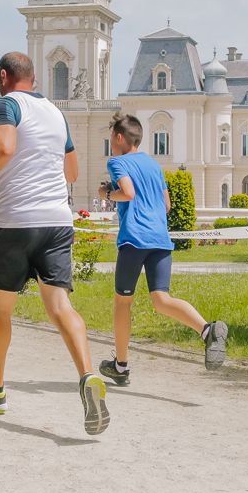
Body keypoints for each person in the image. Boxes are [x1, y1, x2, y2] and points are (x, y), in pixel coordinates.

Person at [0, 51, 109, 436]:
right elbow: (73, 171)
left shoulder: (4, 104)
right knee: (61, 305)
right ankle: (87, 375)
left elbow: (6, 147)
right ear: (33, 76)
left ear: (3, 76)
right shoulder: (55, 113)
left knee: (0, 309)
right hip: (57, 222)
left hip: (16, 223)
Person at [97, 113, 228, 386]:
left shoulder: (117, 162)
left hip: (134, 239)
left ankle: (121, 367)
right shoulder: (154, 165)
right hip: (159, 239)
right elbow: (166, 205)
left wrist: (107, 194)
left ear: (120, 138)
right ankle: (207, 330)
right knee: (161, 299)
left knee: (123, 302)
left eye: (111, 138)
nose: (111, 143)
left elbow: (129, 193)